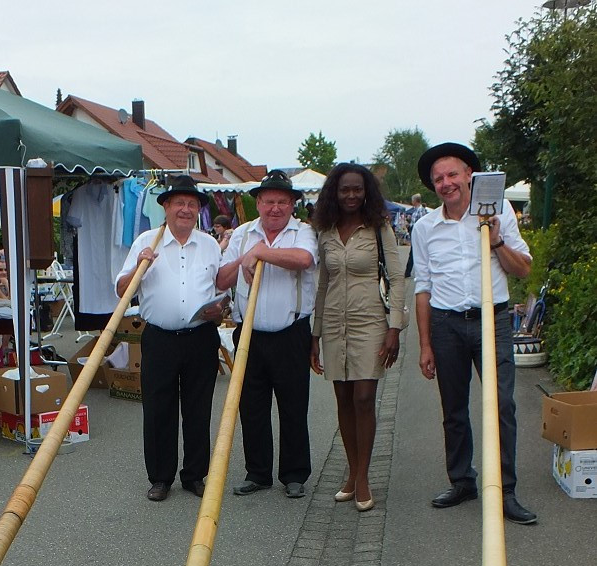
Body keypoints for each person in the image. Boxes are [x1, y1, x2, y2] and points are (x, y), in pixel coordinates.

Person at [411, 142, 536, 524]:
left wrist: (495, 239)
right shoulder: (425, 227)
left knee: (501, 405)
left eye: (452, 174)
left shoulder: (498, 213)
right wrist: (426, 344)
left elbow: (524, 269)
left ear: (469, 175)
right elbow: (423, 287)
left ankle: (505, 490)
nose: (447, 183)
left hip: (492, 319)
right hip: (447, 322)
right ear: (433, 186)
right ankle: (462, 481)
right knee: (453, 408)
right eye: (438, 179)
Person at [115, 174, 225, 502]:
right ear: (166, 207)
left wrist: (218, 311)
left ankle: (194, 475)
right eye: (179, 203)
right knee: (158, 409)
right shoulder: (146, 242)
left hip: (200, 336)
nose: (186, 210)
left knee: (198, 408)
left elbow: (220, 294)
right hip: (159, 338)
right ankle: (160, 478)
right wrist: (139, 267)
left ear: (198, 211)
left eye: (192, 205)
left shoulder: (208, 245)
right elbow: (121, 290)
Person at [309, 164, 405, 511]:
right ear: (334, 192)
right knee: (344, 399)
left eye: (357, 189)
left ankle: (363, 476)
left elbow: (396, 278)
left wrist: (394, 328)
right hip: (334, 323)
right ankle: (351, 472)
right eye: (344, 189)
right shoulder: (326, 230)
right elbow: (323, 284)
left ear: (367, 192)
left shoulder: (379, 229)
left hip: (370, 323)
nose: (351, 195)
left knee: (364, 397)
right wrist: (315, 334)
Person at [217, 170, 318, 499]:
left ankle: (294, 473)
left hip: (291, 333)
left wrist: (261, 253)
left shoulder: (303, 232)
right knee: (251, 406)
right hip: (250, 335)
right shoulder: (242, 234)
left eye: (282, 202)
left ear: (292, 205)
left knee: (293, 405)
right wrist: (244, 258)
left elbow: (303, 260)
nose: (275, 208)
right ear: (258, 202)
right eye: (269, 201)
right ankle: (257, 472)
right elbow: (221, 279)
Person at [404, 194, 429, 278]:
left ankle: (408, 272)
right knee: (413, 252)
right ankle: (408, 272)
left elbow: (422, 223)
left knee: (414, 253)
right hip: (414, 232)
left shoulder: (420, 210)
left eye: (412, 200)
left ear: (415, 201)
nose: (412, 202)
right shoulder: (416, 210)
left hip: (418, 234)